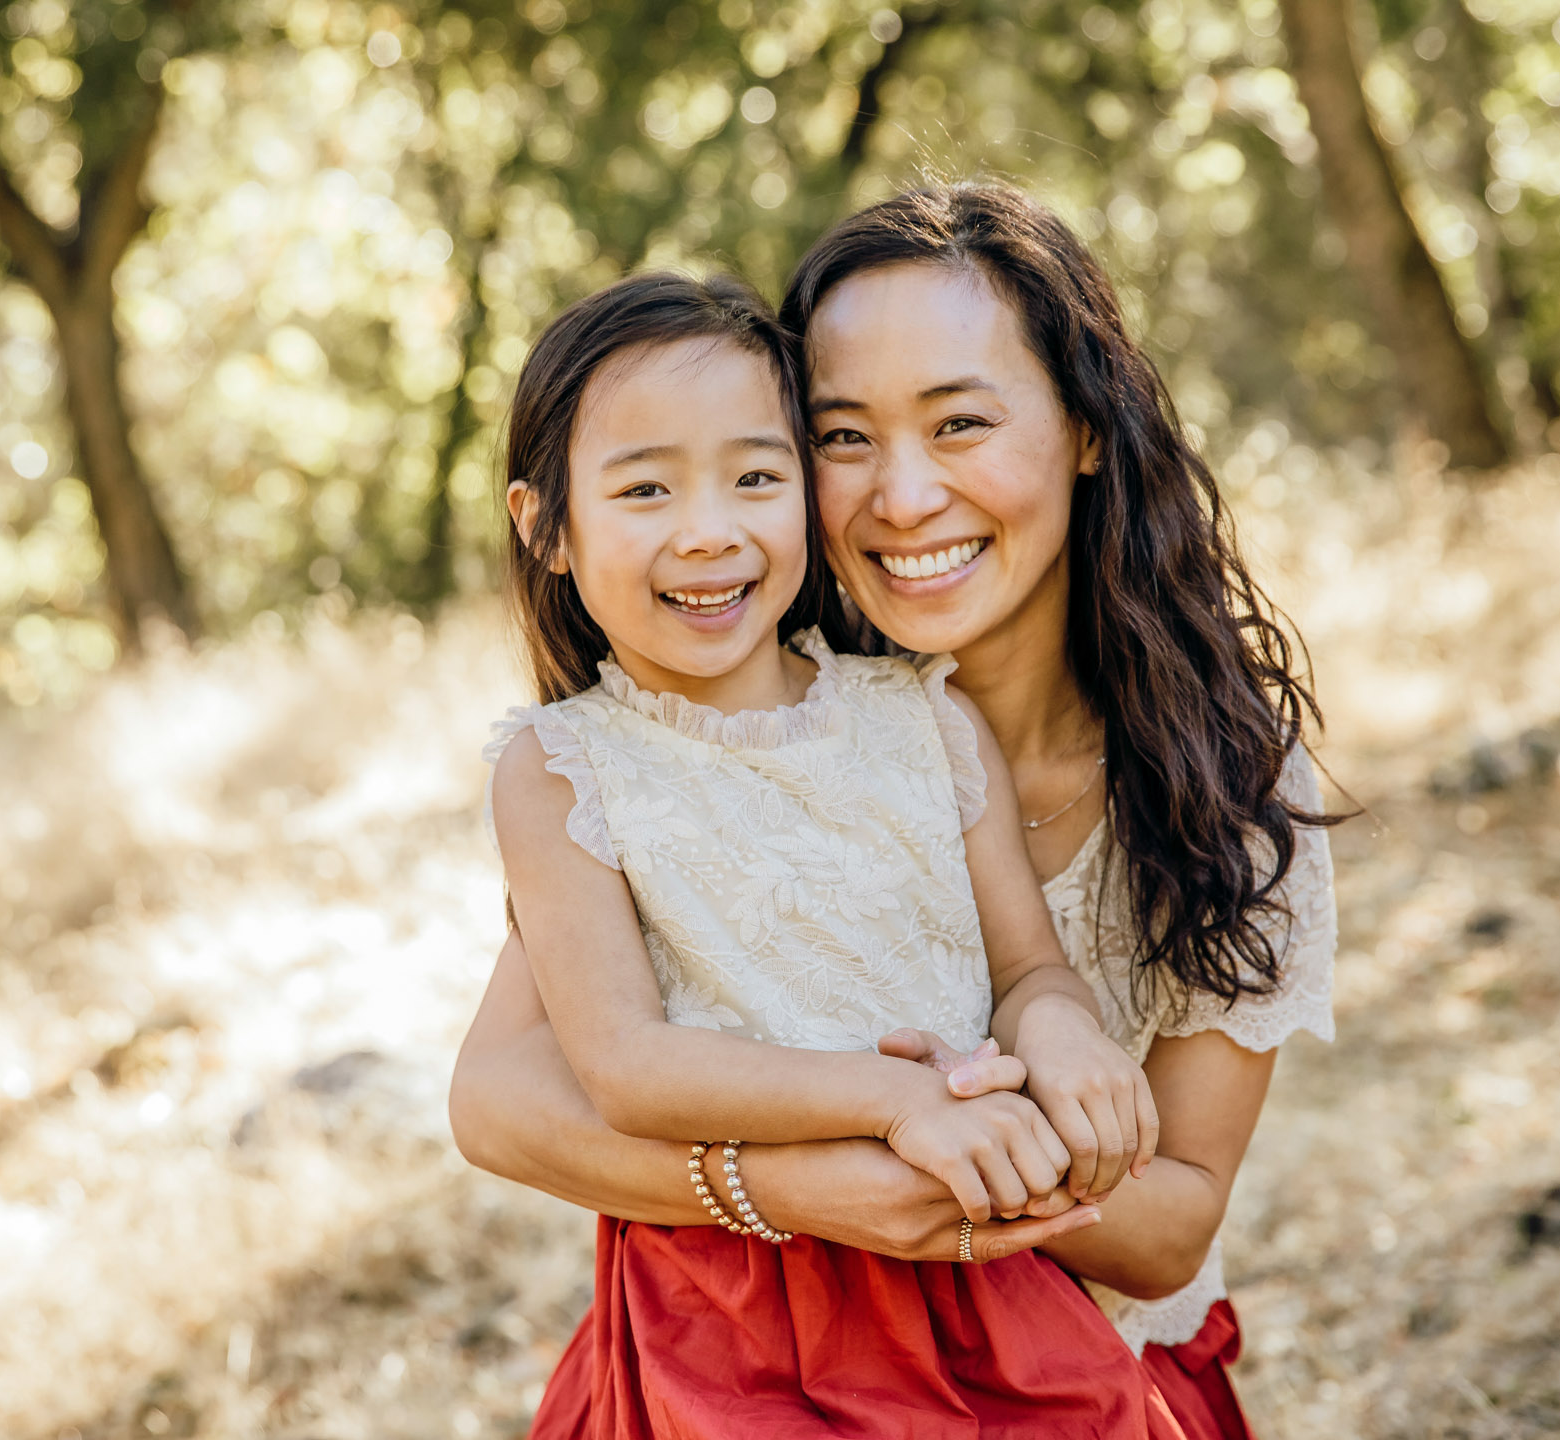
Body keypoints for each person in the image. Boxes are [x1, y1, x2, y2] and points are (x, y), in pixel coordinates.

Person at [452, 185, 1340, 1440]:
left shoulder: (1221, 780)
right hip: (751, 1359)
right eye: (844, 436)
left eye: (961, 422)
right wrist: (823, 1186)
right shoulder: (693, 736)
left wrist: (988, 1136)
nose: (905, 496)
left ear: (1089, 429)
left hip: (1064, 1361)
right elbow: (506, 1097)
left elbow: (1173, 1223)